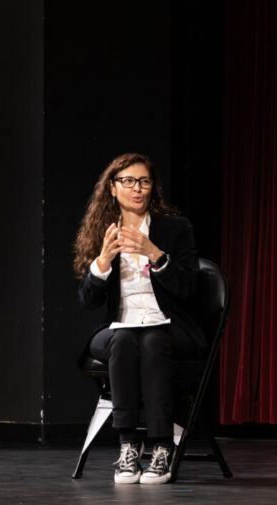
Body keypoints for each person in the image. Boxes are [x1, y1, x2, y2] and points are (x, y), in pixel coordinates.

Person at [75, 153, 204, 485]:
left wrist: (154, 253)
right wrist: (103, 261)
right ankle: (129, 444)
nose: (137, 188)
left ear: (152, 187)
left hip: (168, 324)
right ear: (113, 188)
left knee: (152, 338)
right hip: (118, 326)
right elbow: (88, 300)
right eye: (128, 181)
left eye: (144, 181)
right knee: (124, 338)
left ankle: (162, 447)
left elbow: (189, 289)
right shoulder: (103, 231)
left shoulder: (176, 229)